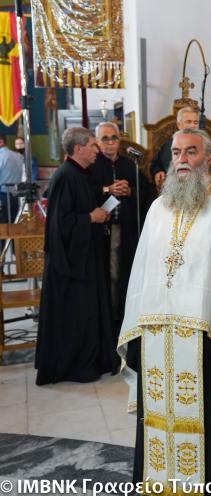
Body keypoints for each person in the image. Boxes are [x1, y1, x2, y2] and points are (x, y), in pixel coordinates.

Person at [117, 128, 211, 490]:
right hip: (157, 333)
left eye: (191, 152)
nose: (182, 159)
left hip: (210, 337)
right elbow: (143, 271)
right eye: (177, 152)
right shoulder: (157, 208)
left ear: (208, 158)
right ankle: (159, 472)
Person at [35, 127, 118, 385]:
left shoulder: (82, 173)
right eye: (93, 145)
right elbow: (60, 224)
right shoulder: (64, 176)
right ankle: (76, 365)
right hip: (71, 264)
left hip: (87, 256)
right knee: (78, 315)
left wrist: (103, 200)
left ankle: (95, 359)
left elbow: (85, 202)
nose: (97, 150)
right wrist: (90, 218)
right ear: (79, 148)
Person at [91, 122, 148, 335]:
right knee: (110, 275)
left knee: (127, 273)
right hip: (103, 230)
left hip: (128, 228)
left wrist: (130, 191)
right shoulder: (93, 164)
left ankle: (126, 315)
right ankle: (109, 318)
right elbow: (85, 192)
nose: (110, 143)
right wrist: (108, 189)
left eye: (114, 138)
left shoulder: (129, 164)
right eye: (104, 138)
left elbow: (145, 190)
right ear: (97, 141)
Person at [149, 106, 199, 191]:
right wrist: (158, 171)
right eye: (189, 122)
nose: (193, 126)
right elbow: (155, 164)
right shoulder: (169, 145)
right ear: (179, 125)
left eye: (195, 122)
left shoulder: (204, 143)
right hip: (174, 190)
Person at [0, 134, 23, 223]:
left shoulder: (1, 156)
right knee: (13, 225)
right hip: (15, 196)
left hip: (3, 196)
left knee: (3, 227)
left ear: (1, 141)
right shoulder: (17, 156)